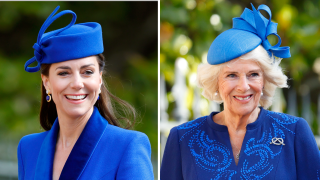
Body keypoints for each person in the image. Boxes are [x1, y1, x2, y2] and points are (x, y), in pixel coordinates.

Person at [161, 4, 320, 179]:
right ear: (216, 81)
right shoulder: (182, 139)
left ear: (264, 80)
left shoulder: (293, 132)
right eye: (231, 75)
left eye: (253, 74)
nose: (244, 86)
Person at [17, 6, 153, 180]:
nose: (77, 84)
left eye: (87, 72)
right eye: (64, 73)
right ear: (47, 82)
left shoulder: (128, 146)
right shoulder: (28, 148)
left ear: (100, 78)